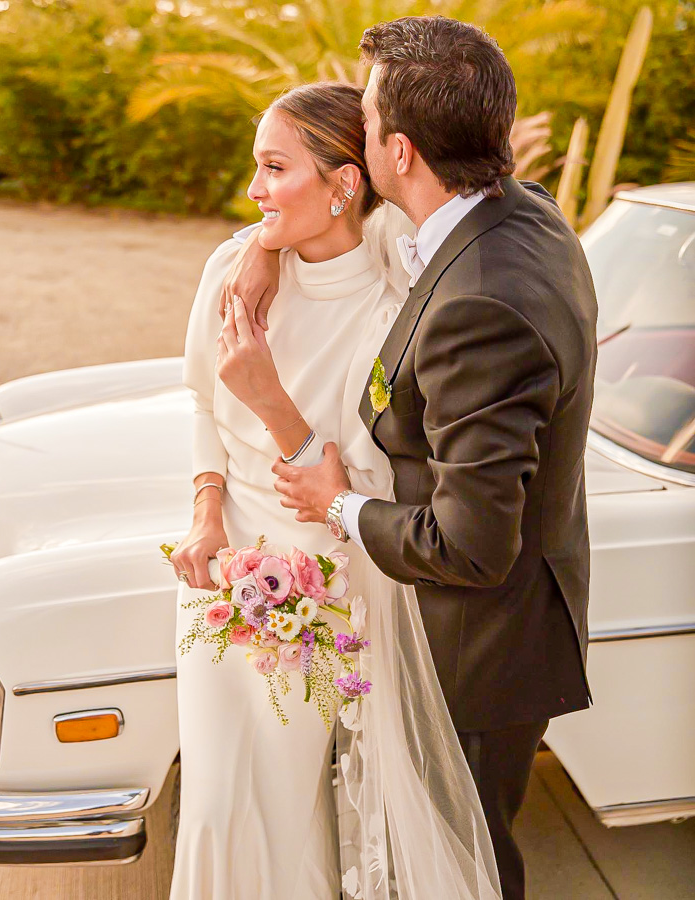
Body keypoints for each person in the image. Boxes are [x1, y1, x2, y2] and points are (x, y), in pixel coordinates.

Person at [222, 17, 598, 900]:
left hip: (473, 647)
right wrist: (261, 243)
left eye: (366, 113)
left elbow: (470, 544)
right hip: (506, 622)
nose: (354, 124)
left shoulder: (481, 305)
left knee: (458, 864)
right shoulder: (525, 213)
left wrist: (334, 501)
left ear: (394, 152)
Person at [168, 81, 500, 900]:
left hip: (314, 588)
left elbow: (353, 484)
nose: (253, 190)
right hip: (216, 571)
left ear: (344, 183)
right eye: (256, 167)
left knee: (281, 807)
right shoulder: (232, 264)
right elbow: (201, 400)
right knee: (210, 806)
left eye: (275, 168)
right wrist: (206, 514)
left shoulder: (390, 314)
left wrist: (269, 395)